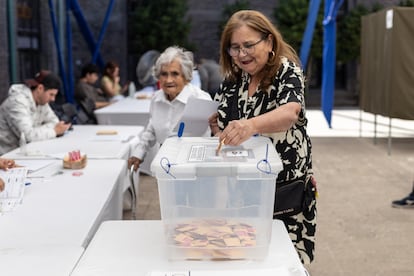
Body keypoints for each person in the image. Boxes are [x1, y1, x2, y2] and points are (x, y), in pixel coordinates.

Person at [208, 10, 317, 264]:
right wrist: (218, 131)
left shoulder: (286, 71)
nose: (242, 54)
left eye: (248, 45)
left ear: (269, 42)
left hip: (285, 193)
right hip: (242, 191)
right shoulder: (232, 80)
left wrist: (250, 126)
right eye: (234, 48)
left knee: (282, 261)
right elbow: (220, 124)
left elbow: (290, 112)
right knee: (246, 259)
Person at [128, 46, 212, 172]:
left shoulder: (201, 99)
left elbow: (208, 139)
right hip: (165, 163)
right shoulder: (156, 99)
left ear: (186, 76)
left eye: (175, 74)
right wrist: (139, 152)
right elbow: (152, 128)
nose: (168, 80)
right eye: (164, 74)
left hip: (194, 166)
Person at [0, 70, 72, 155]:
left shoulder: (41, 101)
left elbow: (55, 122)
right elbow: (28, 136)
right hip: (6, 156)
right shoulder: (17, 102)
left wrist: (37, 131)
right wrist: (54, 131)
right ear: (40, 88)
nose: (53, 99)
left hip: (25, 152)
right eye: (51, 94)